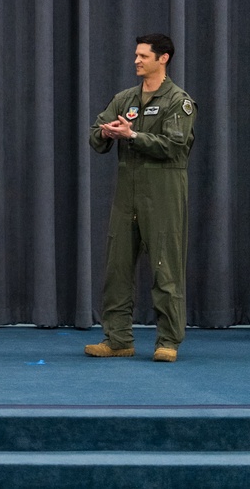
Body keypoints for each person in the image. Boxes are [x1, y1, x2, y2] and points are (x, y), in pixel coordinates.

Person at [85, 33, 196, 363]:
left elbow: (175, 146)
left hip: (163, 192)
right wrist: (105, 132)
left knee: (166, 269)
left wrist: (132, 135)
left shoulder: (179, 100)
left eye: (143, 56)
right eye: (135, 55)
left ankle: (168, 340)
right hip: (127, 194)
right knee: (116, 268)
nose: (136, 60)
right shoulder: (125, 99)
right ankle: (118, 338)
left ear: (163, 59)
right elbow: (95, 134)